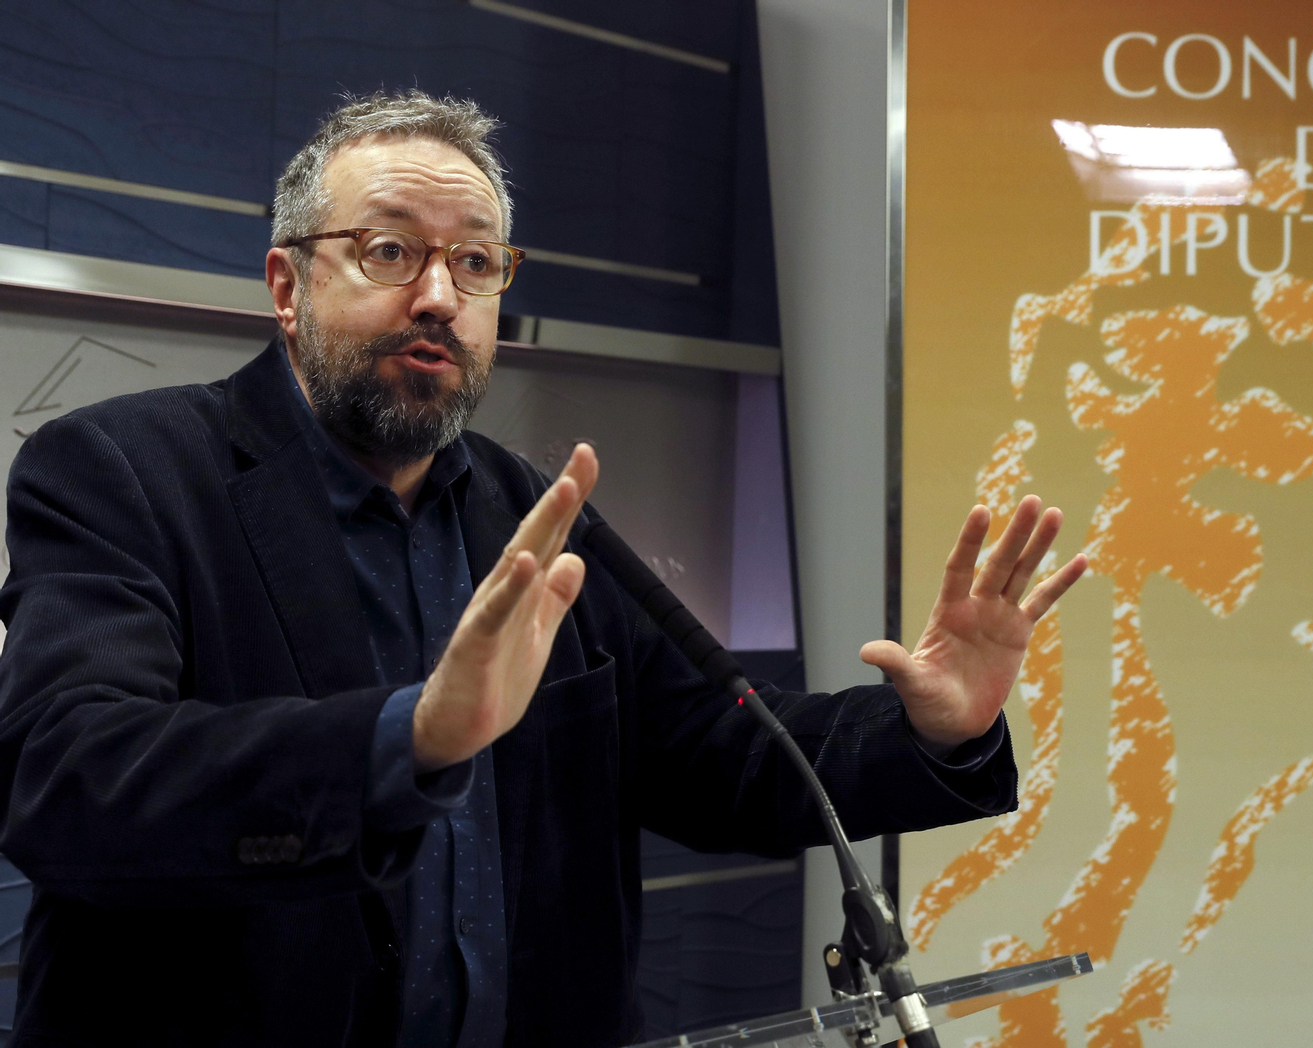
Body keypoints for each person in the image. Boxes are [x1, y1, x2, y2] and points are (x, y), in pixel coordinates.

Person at [0, 91, 1088, 1047]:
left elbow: (714, 752)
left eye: (475, 262)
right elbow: (70, 781)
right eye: (390, 251)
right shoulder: (122, 471)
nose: (439, 295)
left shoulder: (529, 504)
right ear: (287, 284)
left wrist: (930, 731)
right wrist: (406, 740)